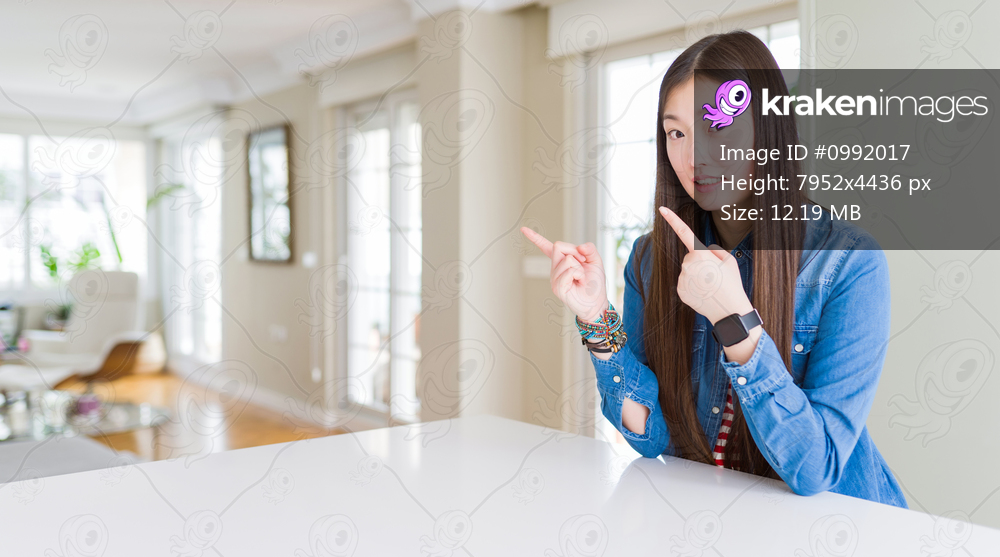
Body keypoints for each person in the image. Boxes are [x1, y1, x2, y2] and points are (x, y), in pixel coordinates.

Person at [521, 30, 908, 508]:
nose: (694, 157)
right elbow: (652, 437)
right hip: (714, 520)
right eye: (677, 133)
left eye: (717, 126)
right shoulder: (650, 259)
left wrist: (735, 323)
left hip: (844, 526)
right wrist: (596, 316)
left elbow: (815, 469)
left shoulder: (848, 263)